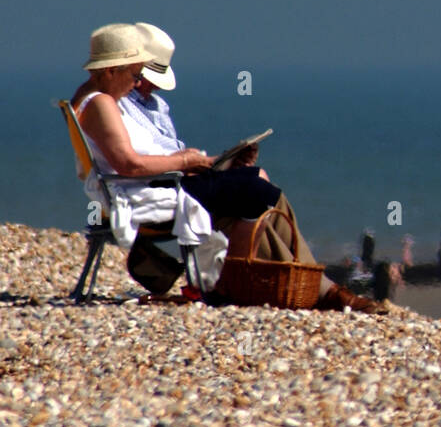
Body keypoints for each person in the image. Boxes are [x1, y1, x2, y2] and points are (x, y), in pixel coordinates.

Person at [74, 23, 381, 312]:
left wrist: (209, 164)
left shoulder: (97, 99)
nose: (136, 82)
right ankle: (258, 287)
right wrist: (187, 161)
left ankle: (314, 288)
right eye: (134, 74)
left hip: (162, 183)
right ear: (112, 70)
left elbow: (130, 159)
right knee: (257, 191)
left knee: (255, 188)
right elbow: (128, 164)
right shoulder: (102, 102)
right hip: (153, 189)